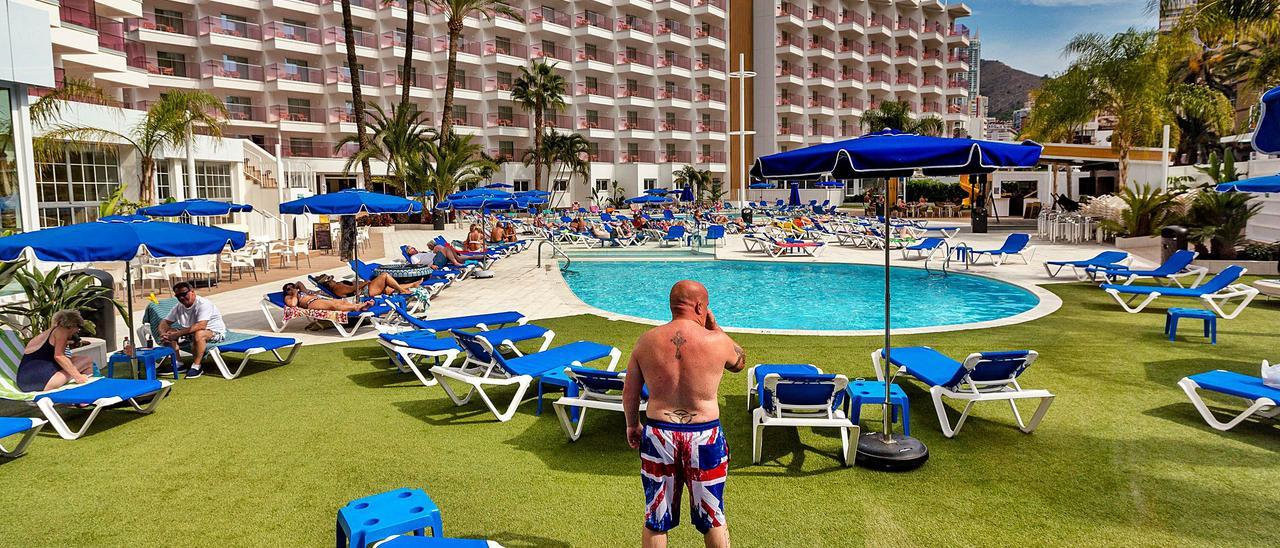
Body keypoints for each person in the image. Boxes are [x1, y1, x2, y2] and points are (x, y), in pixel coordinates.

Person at [623, 280, 746, 548]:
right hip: (705, 435)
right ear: (701, 306)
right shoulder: (717, 341)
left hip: (658, 434)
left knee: (656, 517)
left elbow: (630, 392)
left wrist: (632, 425)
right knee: (713, 516)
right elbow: (740, 361)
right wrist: (717, 328)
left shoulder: (646, 341)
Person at [159, 282, 227, 378]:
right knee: (170, 332)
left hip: (213, 332)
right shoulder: (178, 307)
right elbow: (164, 322)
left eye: (184, 294)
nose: (181, 298)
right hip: (191, 332)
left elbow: (201, 325)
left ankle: (196, 366)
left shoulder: (203, 304)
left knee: (199, 334)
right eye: (178, 296)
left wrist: (178, 334)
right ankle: (178, 364)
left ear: (192, 292)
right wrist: (163, 334)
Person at [16, 309, 93, 391]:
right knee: (87, 360)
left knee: (77, 359)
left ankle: (85, 389)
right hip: (42, 382)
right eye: (79, 326)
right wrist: (78, 377)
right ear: (72, 325)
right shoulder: (62, 331)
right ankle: (86, 391)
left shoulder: (49, 332)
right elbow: (59, 356)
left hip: (24, 382)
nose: (79, 330)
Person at [314, 272, 420, 298]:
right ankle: (402, 290)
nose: (333, 280)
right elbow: (353, 288)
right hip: (366, 291)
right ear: (328, 283)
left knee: (388, 288)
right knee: (385, 276)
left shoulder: (337, 285)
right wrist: (366, 282)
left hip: (366, 289)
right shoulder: (337, 288)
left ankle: (412, 284)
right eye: (330, 280)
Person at [282, 282, 372, 312]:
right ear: (286, 292)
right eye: (288, 289)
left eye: (292, 286)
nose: (291, 289)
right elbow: (293, 304)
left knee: (341, 302)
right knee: (333, 306)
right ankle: (356, 307)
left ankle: (360, 307)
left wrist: (296, 287)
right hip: (312, 303)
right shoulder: (288, 297)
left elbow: (299, 283)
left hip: (318, 299)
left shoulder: (300, 292)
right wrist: (294, 293)